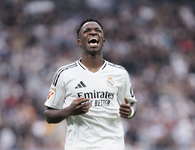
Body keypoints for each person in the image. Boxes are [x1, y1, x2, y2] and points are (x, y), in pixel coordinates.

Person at [44, 18, 137, 150]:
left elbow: (132, 103)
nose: (93, 33)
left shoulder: (120, 73)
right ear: (79, 42)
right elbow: (49, 115)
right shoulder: (64, 74)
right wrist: (69, 111)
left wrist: (130, 111)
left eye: (97, 30)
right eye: (87, 31)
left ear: (103, 41)